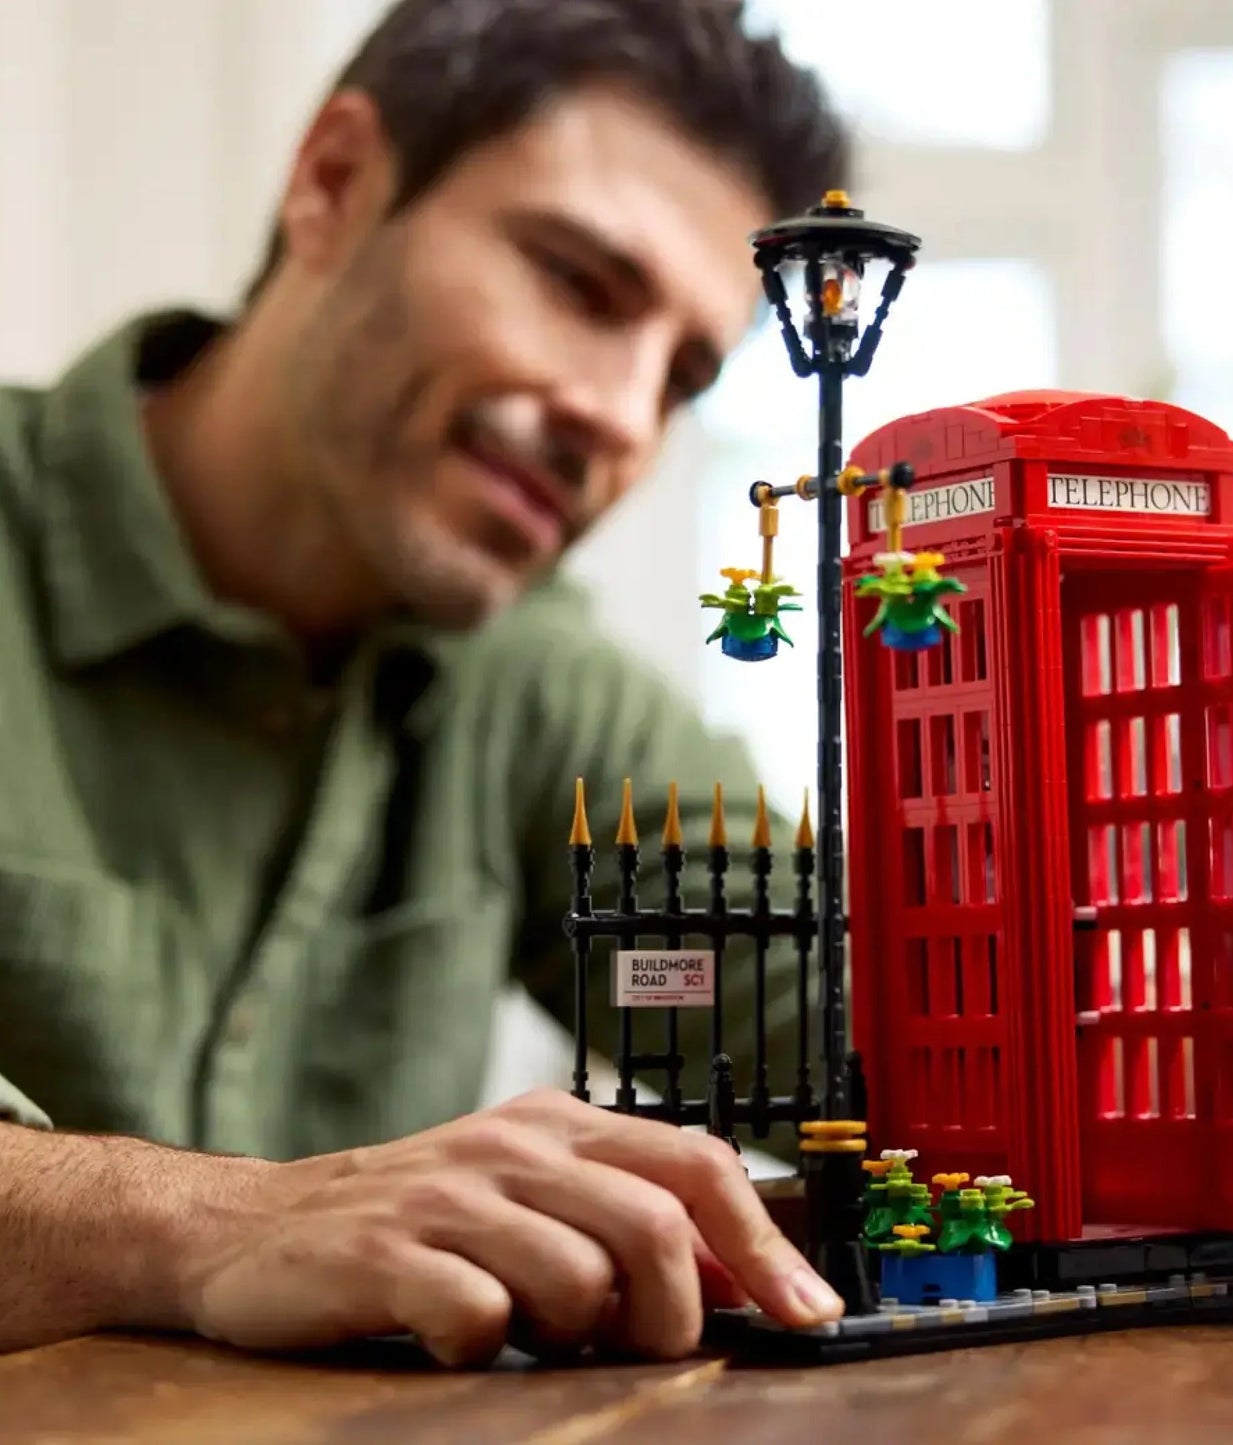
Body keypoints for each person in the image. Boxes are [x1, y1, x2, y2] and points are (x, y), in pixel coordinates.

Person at [0, 0, 853, 1366]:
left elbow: (842, 1018)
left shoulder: (539, 692)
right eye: (579, 282)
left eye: (683, 375)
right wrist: (199, 1223)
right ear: (333, 183)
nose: (623, 421)